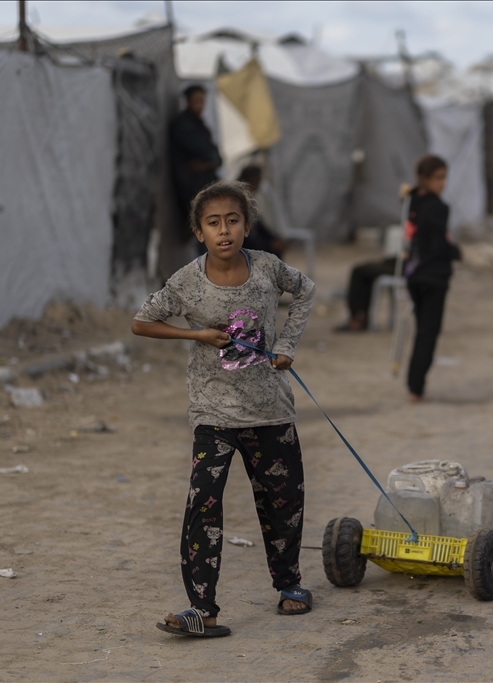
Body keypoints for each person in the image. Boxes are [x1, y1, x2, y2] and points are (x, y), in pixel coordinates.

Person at [132, 180, 316, 636]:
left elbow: (306, 291)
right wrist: (194, 335)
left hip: (271, 410)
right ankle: (202, 609)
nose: (224, 230)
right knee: (203, 505)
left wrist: (287, 345)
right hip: (212, 413)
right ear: (199, 232)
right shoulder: (186, 283)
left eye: (233, 221)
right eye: (213, 223)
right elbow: (141, 322)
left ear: (247, 226)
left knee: (283, 501)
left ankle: (290, 584)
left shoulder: (269, 269)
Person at [405, 155, 460, 401]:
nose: (443, 183)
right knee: (429, 332)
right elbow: (438, 244)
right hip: (433, 276)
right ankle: (416, 386)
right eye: (438, 178)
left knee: (422, 330)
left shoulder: (413, 201)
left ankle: (415, 383)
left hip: (414, 274)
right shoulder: (439, 207)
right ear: (426, 179)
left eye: (444, 177)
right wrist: (455, 252)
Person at [170, 85, 222, 240]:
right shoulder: (183, 125)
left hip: (205, 185)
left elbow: (217, 158)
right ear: (188, 101)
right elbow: (205, 153)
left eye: (202, 101)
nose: (200, 105)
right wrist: (211, 161)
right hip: (192, 187)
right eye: (196, 100)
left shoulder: (200, 125)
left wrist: (209, 162)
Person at [334, 256, 398, 332]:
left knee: (359, 272)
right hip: (400, 261)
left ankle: (358, 317)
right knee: (363, 272)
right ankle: (360, 316)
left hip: (407, 266)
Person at [237, 165, 289, 259]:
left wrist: (274, 240)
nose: (259, 185)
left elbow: (259, 224)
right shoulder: (237, 199)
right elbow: (248, 234)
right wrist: (269, 244)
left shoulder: (250, 199)